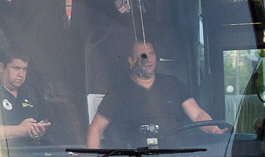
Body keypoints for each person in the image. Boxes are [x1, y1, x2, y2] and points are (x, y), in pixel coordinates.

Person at [86, 40, 225, 148]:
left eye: (152, 53)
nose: (149, 60)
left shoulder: (173, 83)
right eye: (143, 56)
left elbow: (197, 115)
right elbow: (96, 129)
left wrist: (215, 131)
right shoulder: (118, 92)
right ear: (131, 61)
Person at [0, 50, 50, 142]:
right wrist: (19, 130)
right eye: (16, 68)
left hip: (31, 153)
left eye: (24, 69)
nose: (21, 74)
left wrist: (37, 132)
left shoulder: (29, 96)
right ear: (1, 67)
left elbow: (36, 131)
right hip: (3, 154)